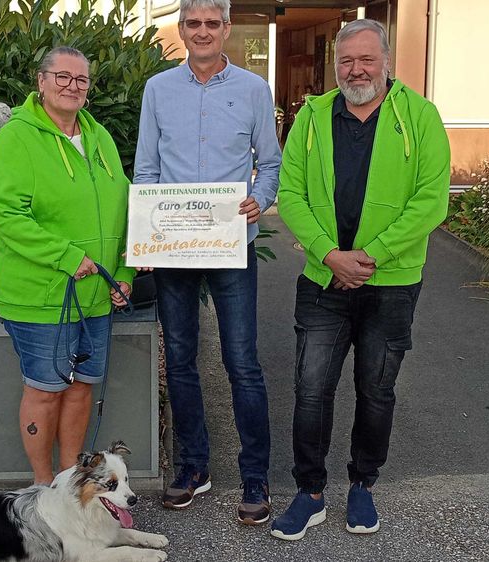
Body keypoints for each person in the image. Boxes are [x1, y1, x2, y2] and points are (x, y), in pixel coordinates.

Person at [270, 19, 450, 541]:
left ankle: (362, 485)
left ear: (386, 61)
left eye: (366, 59)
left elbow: (430, 200)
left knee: (376, 389)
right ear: (336, 66)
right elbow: (292, 192)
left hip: (391, 282)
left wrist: (370, 255)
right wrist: (331, 256)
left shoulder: (420, 117)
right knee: (310, 390)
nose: (356, 70)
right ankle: (310, 493)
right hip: (323, 280)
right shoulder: (312, 116)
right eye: (346, 61)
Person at [133, 0, 282, 525]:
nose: (201, 32)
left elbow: (271, 162)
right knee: (180, 359)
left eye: (211, 24)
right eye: (192, 23)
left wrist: (258, 200)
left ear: (225, 29)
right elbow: (146, 168)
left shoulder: (252, 90)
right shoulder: (158, 90)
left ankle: (255, 475)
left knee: (242, 362)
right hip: (173, 247)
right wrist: (145, 241)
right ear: (181, 29)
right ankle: (194, 467)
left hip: (232, 243)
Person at [0, 46, 135, 485]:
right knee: (46, 392)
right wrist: (68, 258)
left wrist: (123, 272)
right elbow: (5, 213)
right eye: (63, 77)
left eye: (81, 80)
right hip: (39, 294)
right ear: (42, 81)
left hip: (95, 295)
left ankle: (72, 481)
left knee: (82, 386)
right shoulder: (17, 137)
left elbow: (127, 206)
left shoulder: (99, 137)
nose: (73, 86)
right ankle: (43, 487)